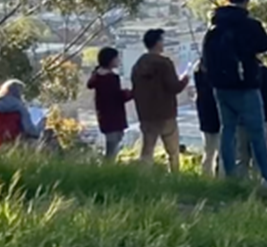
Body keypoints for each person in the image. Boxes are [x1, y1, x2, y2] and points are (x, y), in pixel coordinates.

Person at [201, 0, 267, 193]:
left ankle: (229, 175)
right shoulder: (247, 24)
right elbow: (265, 43)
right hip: (245, 86)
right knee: (257, 132)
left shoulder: (214, 25)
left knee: (227, 130)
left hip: (220, 87)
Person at [131, 28, 188, 172]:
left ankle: (144, 177)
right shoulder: (164, 64)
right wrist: (185, 80)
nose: (163, 44)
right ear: (157, 43)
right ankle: (175, 176)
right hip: (166, 113)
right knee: (173, 151)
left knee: (147, 150)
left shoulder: (137, 66)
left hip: (146, 114)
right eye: (162, 40)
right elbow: (174, 87)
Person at [87, 47, 133, 161]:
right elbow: (116, 96)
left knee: (113, 142)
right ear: (110, 60)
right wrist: (132, 93)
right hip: (113, 115)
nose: (119, 60)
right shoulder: (110, 78)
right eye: (117, 58)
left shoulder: (97, 76)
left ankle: (108, 167)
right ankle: (108, 169)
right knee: (113, 146)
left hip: (104, 115)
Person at [0, 80, 45, 148]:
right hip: (17, 144)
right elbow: (31, 131)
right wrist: (41, 125)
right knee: (50, 135)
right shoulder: (20, 108)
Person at [193, 60, 221, 176]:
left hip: (205, 116)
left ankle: (206, 174)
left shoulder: (197, 70)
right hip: (218, 116)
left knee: (208, 149)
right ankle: (221, 175)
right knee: (222, 150)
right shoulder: (216, 73)